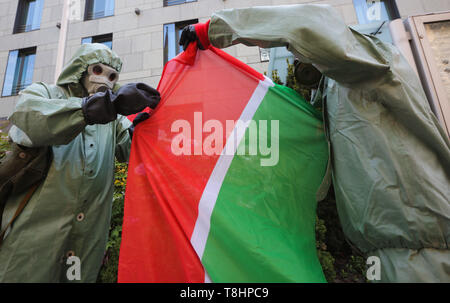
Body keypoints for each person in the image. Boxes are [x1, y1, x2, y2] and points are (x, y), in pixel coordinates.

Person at [180, 4, 450, 282]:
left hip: (425, 250)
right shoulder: (335, 94)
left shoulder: (373, 61)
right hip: (383, 255)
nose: (299, 55)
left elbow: (312, 22)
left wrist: (214, 29)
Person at [0, 43, 160, 282]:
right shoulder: (45, 93)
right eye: (98, 70)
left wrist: (151, 126)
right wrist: (89, 110)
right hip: (32, 238)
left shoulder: (113, 119)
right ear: (81, 70)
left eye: (112, 76)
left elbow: (132, 149)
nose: (105, 79)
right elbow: (29, 121)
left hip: (86, 245)